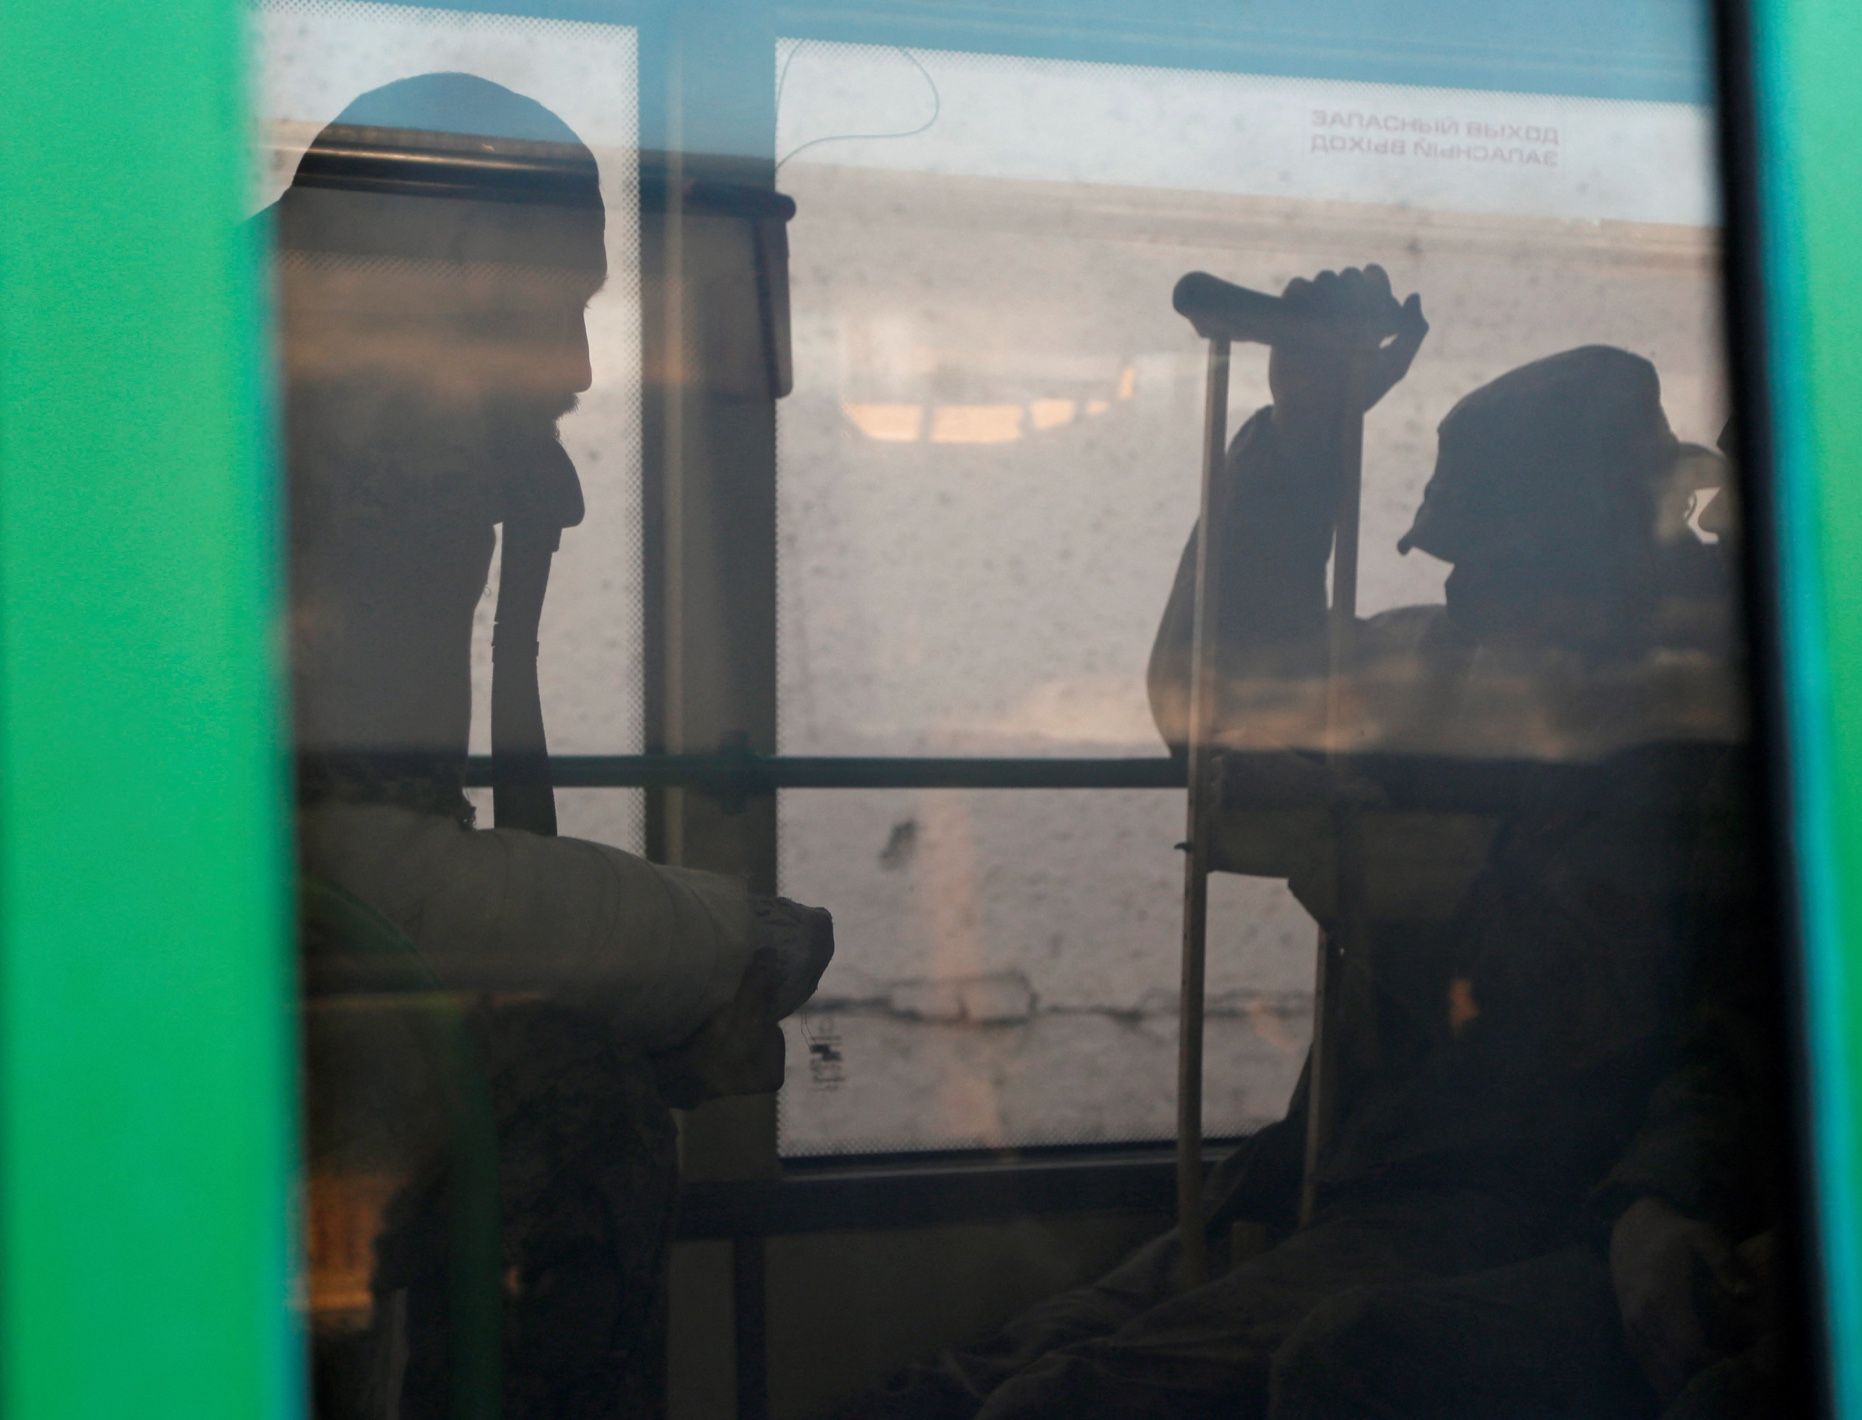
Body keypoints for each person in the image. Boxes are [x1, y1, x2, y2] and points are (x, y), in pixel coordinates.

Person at [836, 268, 1781, 1418]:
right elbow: (1223, 701)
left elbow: (1649, 1021)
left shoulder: (1714, 741)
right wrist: (1304, 437)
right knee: (944, 1395)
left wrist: (1370, 860)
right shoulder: (1462, 672)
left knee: (1057, 1404)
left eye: (1501, 565)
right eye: (1460, 565)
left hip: (1501, 1201)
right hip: (1352, 1165)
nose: (1466, 596)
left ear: (1612, 549)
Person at [276, 74, 832, 1416]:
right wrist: (711, 946)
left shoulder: (305, 407)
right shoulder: (309, 433)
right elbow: (322, 870)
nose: (579, 372)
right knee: (577, 1105)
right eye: (564, 306)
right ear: (463, 256)